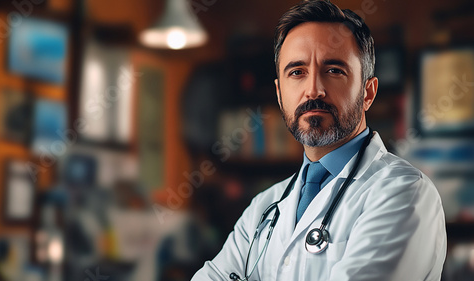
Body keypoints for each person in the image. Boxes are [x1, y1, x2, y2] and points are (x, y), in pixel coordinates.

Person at [191, 0, 447, 280]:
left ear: (368, 93)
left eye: (334, 70)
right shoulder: (264, 207)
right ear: (279, 94)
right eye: (297, 72)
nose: (313, 90)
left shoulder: (404, 193)